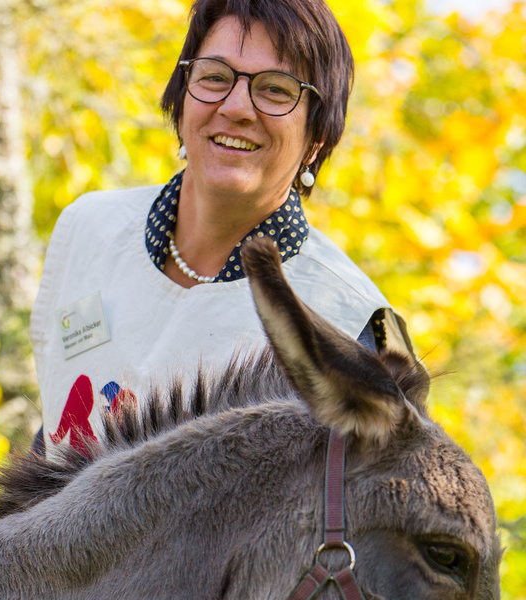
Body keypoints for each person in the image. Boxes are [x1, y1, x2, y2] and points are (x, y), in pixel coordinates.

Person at [30, 0, 416, 455]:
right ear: (181, 96)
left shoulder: (350, 324)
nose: (236, 108)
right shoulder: (89, 229)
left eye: (276, 89)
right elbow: (53, 433)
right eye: (214, 77)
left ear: (316, 139)